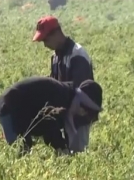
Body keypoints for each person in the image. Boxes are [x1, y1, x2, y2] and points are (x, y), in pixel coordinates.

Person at [32, 15, 96, 153]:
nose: (44, 44)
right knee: (63, 152)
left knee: (78, 153)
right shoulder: (56, 56)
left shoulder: (77, 54)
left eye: (45, 40)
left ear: (56, 34)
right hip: (64, 111)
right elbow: (54, 83)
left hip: (79, 114)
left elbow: (80, 90)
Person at [0, 77, 102, 155]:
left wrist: (60, 145)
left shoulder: (66, 95)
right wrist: (61, 147)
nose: (83, 114)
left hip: (16, 108)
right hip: (9, 107)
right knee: (20, 149)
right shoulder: (61, 96)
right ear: (82, 103)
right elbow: (49, 124)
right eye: (86, 110)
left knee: (23, 146)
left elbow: (47, 125)